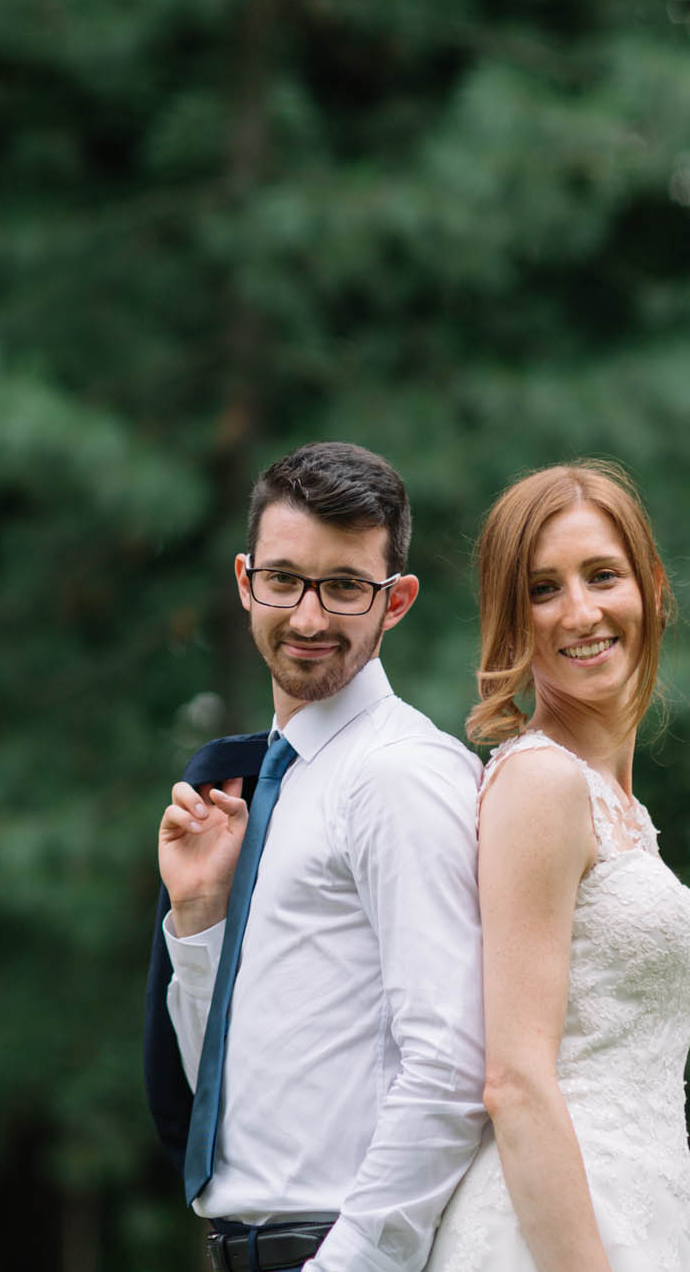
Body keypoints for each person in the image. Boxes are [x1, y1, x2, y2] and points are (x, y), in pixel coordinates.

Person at [148, 442, 486, 1272]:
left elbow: (450, 1060)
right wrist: (198, 923)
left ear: (396, 600)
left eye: (343, 586)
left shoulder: (400, 775)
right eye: (284, 579)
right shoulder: (268, 785)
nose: (307, 617)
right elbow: (224, 1097)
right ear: (244, 580)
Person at [425, 460, 690, 1272]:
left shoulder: (620, 811)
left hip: (649, 1213)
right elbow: (516, 1080)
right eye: (543, 589)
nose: (581, 611)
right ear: (511, 618)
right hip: (556, 1233)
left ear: (652, 586)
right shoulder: (541, 781)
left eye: (602, 575)